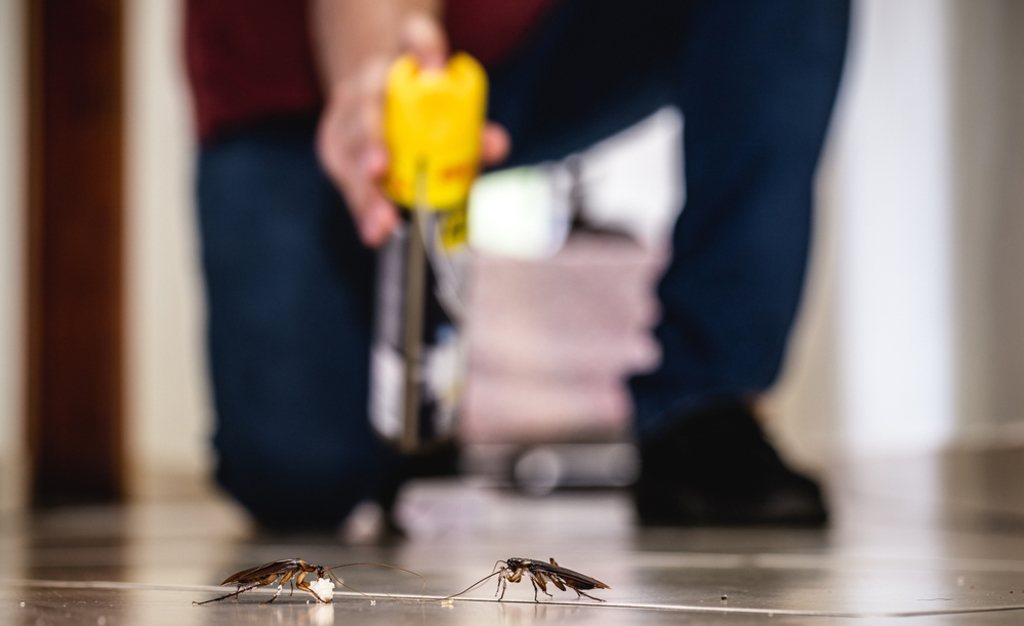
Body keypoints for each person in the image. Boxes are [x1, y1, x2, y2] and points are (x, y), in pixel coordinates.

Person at [185, 0, 849, 531]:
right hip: (287, 79)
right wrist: (381, 79)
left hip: (541, 42)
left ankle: (703, 404)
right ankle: (398, 425)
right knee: (297, 479)